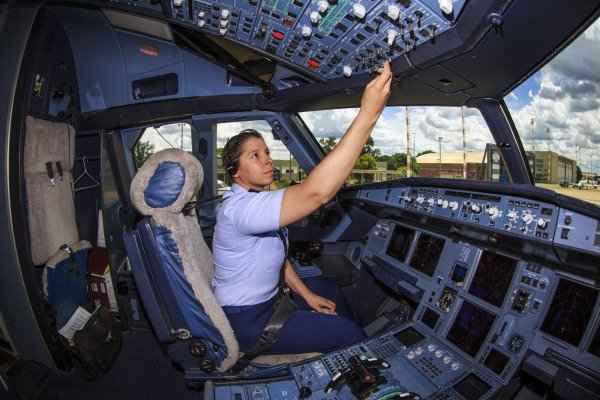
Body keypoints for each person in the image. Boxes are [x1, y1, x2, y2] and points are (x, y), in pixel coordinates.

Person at [212, 62, 392, 354]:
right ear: (236, 172)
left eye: (267, 152)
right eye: (255, 156)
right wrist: (369, 112)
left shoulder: (256, 204)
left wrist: (307, 295)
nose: (268, 160)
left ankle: (337, 348)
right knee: (348, 332)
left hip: (270, 302)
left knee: (329, 289)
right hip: (248, 320)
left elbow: (278, 258)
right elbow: (316, 193)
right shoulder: (239, 210)